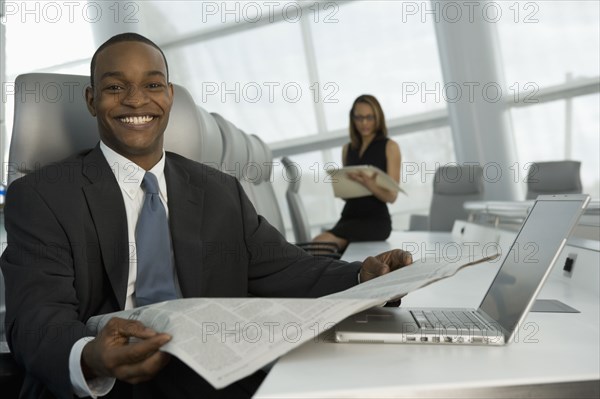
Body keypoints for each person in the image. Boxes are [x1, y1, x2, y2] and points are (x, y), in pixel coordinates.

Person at [0, 34, 412, 399]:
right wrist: (90, 356)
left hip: (207, 371)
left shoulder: (219, 189)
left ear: (170, 97)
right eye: (114, 87)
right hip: (106, 384)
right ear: (92, 101)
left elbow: (288, 268)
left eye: (153, 85)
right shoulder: (42, 196)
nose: (136, 99)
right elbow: (36, 317)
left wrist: (363, 277)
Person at [313, 95, 401, 251]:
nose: (364, 123)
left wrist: (370, 184)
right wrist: (343, 186)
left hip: (374, 221)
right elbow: (347, 196)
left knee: (318, 244)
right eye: (359, 118)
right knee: (318, 247)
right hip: (348, 217)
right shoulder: (347, 149)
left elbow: (392, 196)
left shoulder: (390, 147)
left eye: (369, 117)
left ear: (378, 117)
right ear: (352, 119)